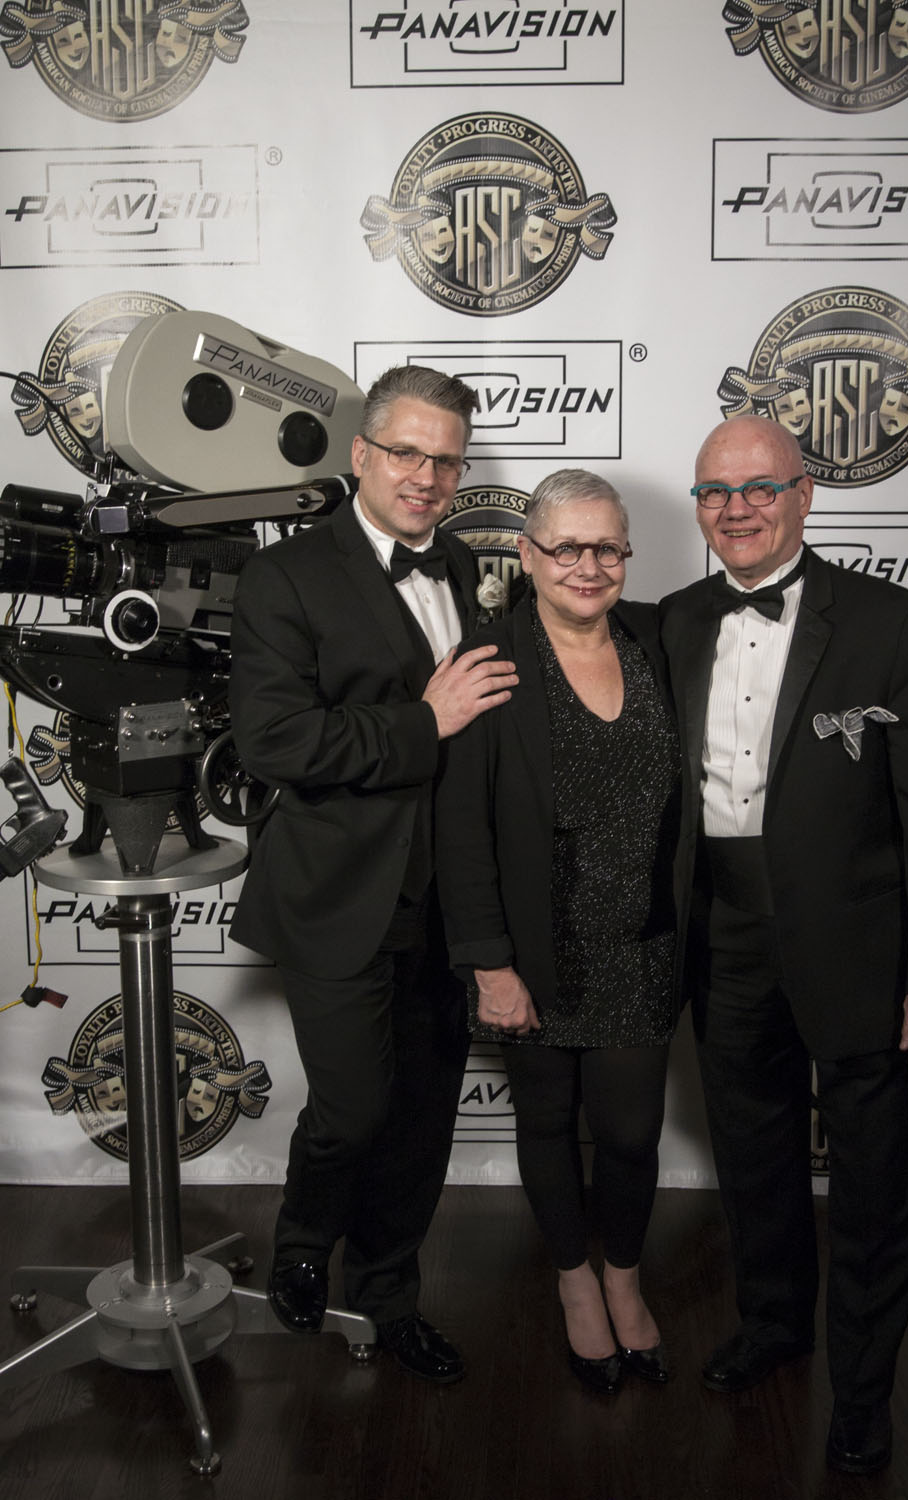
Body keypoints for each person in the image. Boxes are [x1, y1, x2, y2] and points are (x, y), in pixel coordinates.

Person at [659, 415, 908, 1473]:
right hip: (721, 931)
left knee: (877, 1180)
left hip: (857, 947)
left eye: (757, 488)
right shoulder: (667, 622)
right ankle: (774, 1326)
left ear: (805, 495)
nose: (735, 509)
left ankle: (866, 1393)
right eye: (713, 492)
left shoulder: (893, 623)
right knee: (751, 1156)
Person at [228, 365, 518, 1382]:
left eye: (447, 459)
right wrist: (420, 723)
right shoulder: (286, 576)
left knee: (424, 1117)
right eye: (408, 452)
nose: (428, 476)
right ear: (360, 453)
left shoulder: (472, 565)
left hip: (451, 901)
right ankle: (304, 1242)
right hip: (338, 894)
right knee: (354, 1106)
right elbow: (273, 741)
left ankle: (389, 1295)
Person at [436, 470, 685, 1394]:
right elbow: (461, 833)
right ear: (529, 556)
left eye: (607, 547)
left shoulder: (660, 641)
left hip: (642, 944)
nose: (589, 565)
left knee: (629, 1132)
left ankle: (624, 1275)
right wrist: (491, 964)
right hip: (538, 950)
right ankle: (576, 1284)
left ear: (626, 554)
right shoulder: (488, 662)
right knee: (545, 1121)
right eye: (566, 547)